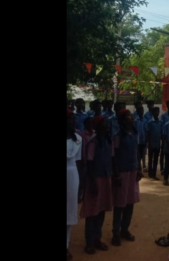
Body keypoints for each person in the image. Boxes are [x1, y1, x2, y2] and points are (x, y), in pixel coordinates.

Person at [80, 116, 114, 255]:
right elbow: (90, 162)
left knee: (101, 210)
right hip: (95, 179)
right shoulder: (93, 143)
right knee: (92, 211)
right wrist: (93, 182)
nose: (107, 126)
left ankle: (97, 239)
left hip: (106, 177)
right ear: (98, 127)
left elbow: (111, 159)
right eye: (104, 124)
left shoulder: (107, 141)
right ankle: (89, 242)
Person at [110, 110, 142, 246]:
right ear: (123, 120)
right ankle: (115, 232)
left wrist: (139, 168)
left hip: (133, 171)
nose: (132, 118)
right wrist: (116, 174)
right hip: (122, 172)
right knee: (119, 204)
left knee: (130, 202)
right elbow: (113, 156)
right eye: (129, 117)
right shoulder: (118, 136)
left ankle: (125, 229)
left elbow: (137, 152)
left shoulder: (135, 134)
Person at [67, 110, 84, 261]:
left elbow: (77, 161)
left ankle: (66, 245)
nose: (73, 122)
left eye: (74, 120)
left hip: (72, 176)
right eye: (70, 120)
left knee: (70, 211)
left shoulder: (78, 138)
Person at [145, 108, 163, 180]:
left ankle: (154, 174)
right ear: (152, 113)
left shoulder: (160, 123)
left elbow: (161, 134)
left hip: (157, 144)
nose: (157, 113)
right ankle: (150, 173)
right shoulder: (150, 122)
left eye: (158, 111)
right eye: (155, 111)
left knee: (155, 159)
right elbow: (147, 133)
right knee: (150, 159)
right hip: (151, 144)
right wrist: (148, 142)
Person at [133, 102, 147, 170]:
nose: (142, 112)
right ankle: (138, 167)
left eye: (142, 111)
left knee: (143, 154)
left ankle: (143, 165)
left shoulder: (145, 120)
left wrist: (146, 139)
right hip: (137, 141)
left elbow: (146, 130)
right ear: (138, 112)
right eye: (140, 111)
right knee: (137, 154)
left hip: (143, 140)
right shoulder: (135, 120)